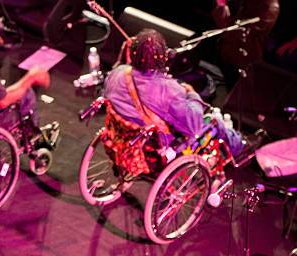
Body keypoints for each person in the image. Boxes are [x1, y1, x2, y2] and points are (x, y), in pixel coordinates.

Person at [104, 29, 244, 157]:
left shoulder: (118, 72)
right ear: (163, 57)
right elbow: (193, 126)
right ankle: (239, 146)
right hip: (154, 147)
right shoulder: (169, 90)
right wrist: (192, 94)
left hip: (122, 136)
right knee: (214, 120)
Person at [212, 0, 280, 86]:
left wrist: (222, 11)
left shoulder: (269, 7)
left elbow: (241, 34)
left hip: (242, 62)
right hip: (228, 54)